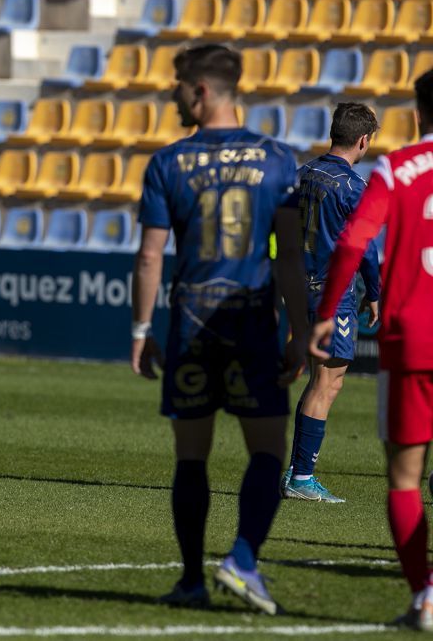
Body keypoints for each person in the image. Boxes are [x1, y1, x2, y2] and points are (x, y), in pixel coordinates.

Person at [130, 44, 309, 614]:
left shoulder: (166, 163)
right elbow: (288, 258)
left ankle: (191, 580)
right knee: (266, 451)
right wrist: (299, 331)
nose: (173, 95)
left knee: (191, 457)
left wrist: (140, 330)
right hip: (252, 321)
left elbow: (149, 257)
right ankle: (242, 558)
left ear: (202, 91)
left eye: (179, 85)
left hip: (190, 324)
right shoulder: (280, 160)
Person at [310, 69, 433, 630]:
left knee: (406, 478)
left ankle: (424, 599)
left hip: (412, 339)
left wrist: (326, 308)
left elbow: (355, 242)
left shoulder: (394, 167)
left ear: (419, 112)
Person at [284, 103, 381, 503]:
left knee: (317, 379)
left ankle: (297, 471)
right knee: (329, 380)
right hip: (332, 293)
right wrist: (374, 292)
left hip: (299, 285)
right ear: (363, 140)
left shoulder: (301, 174)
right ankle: (302, 477)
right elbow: (367, 249)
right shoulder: (355, 187)